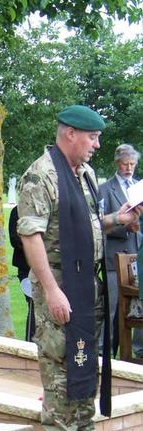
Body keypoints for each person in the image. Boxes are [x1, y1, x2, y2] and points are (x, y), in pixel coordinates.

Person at [17, 105, 142, 431]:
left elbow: (88, 225)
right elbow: (30, 235)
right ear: (70, 133)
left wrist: (119, 219)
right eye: (92, 137)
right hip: (61, 288)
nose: (97, 144)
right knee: (59, 366)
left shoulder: (84, 174)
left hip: (87, 287)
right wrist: (52, 291)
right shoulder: (41, 175)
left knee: (87, 361)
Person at [98, 144, 143, 357]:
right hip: (114, 258)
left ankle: (137, 352)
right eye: (125, 164)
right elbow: (99, 225)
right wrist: (126, 227)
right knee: (111, 309)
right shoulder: (105, 189)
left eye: (132, 164)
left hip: (137, 256)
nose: (129, 168)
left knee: (138, 306)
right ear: (117, 163)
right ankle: (103, 352)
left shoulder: (138, 187)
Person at [8, 205, 35, 341]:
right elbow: (15, 240)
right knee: (33, 305)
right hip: (26, 267)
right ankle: (31, 342)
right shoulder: (17, 211)